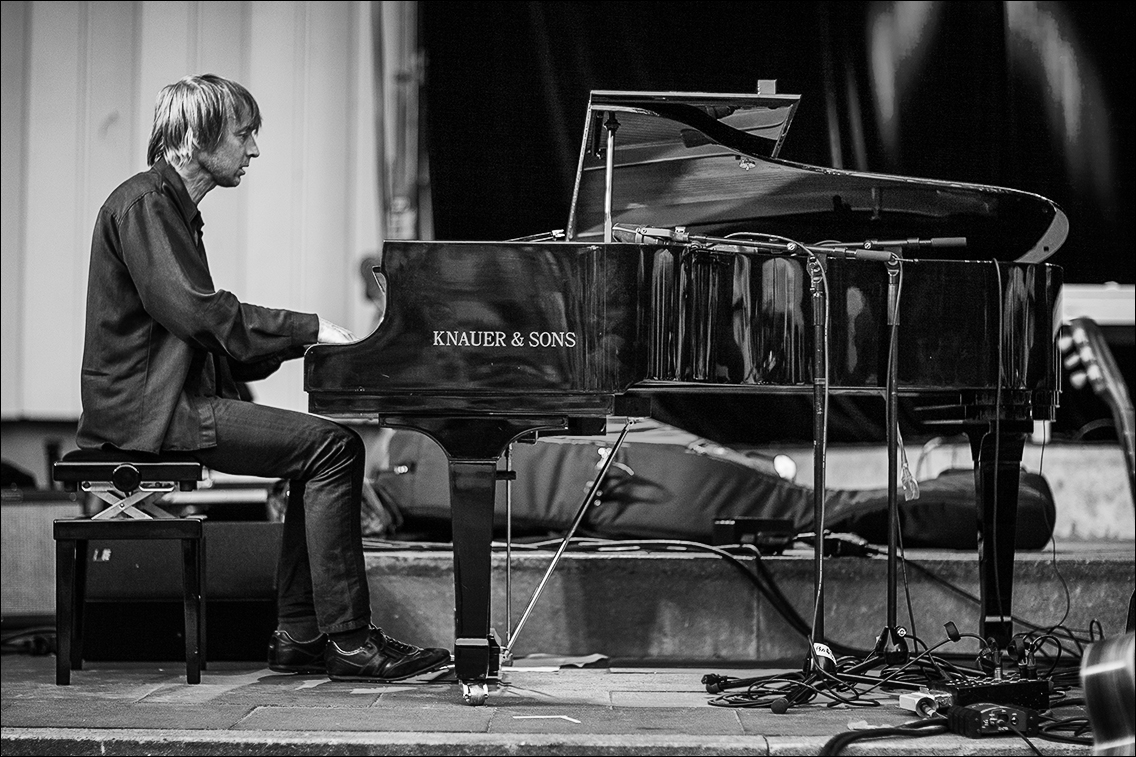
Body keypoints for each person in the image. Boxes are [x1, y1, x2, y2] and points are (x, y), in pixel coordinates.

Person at [75, 73, 450, 682]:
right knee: (334, 447)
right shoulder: (145, 204)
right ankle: (346, 639)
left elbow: (208, 330)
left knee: (323, 450)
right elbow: (199, 313)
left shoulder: (169, 208)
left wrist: (306, 341)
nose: (254, 150)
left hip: (169, 403)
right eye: (244, 134)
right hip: (153, 413)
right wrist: (308, 328)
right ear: (198, 137)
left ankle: (300, 634)